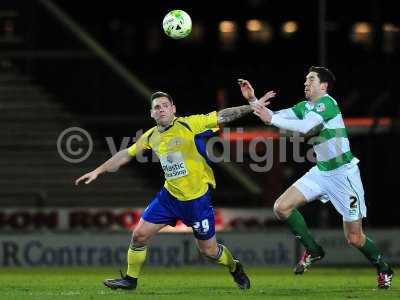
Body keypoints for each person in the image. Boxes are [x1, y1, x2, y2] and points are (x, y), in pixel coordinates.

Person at [75, 90, 272, 290]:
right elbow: (126, 153)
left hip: (197, 200)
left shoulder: (190, 125)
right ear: (151, 113)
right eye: (156, 107)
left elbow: (223, 115)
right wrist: (98, 171)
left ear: (173, 109)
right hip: (169, 198)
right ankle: (130, 279)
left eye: (164, 106)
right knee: (139, 235)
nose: (161, 110)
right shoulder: (151, 136)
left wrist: (252, 106)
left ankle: (235, 267)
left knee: (209, 251)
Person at [238, 66, 394, 289]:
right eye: (305, 80)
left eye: (311, 80)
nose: (305, 83)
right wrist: (253, 100)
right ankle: (314, 249)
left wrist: (271, 118)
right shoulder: (304, 107)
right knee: (281, 207)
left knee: (354, 238)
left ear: (324, 86)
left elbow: (305, 127)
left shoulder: (327, 104)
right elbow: (272, 116)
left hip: (344, 175)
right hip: (321, 172)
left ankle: (384, 268)